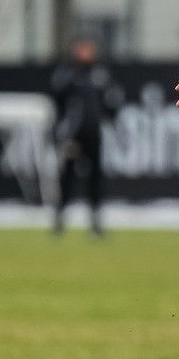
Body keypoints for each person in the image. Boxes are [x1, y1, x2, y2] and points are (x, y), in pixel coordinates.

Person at [50, 35, 124, 236]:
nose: (85, 53)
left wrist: (110, 112)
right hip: (73, 136)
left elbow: (112, 101)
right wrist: (61, 130)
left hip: (94, 134)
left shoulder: (100, 74)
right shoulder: (68, 74)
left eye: (89, 49)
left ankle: (96, 222)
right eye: (82, 49)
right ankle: (59, 219)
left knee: (96, 178)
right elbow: (58, 102)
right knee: (68, 176)